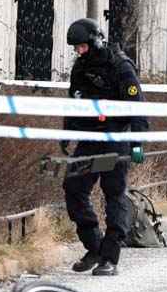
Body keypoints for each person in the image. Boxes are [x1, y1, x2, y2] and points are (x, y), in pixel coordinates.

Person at [60, 18, 149, 276]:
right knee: (73, 188)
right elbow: (74, 102)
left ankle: (110, 257)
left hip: (114, 140)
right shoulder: (80, 68)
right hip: (89, 140)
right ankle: (94, 246)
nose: (79, 52)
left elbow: (138, 107)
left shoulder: (120, 66)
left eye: (82, 47)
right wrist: (67, 133)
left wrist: (137, 142)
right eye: (76, 48)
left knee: (113, 194)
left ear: (96, 41)